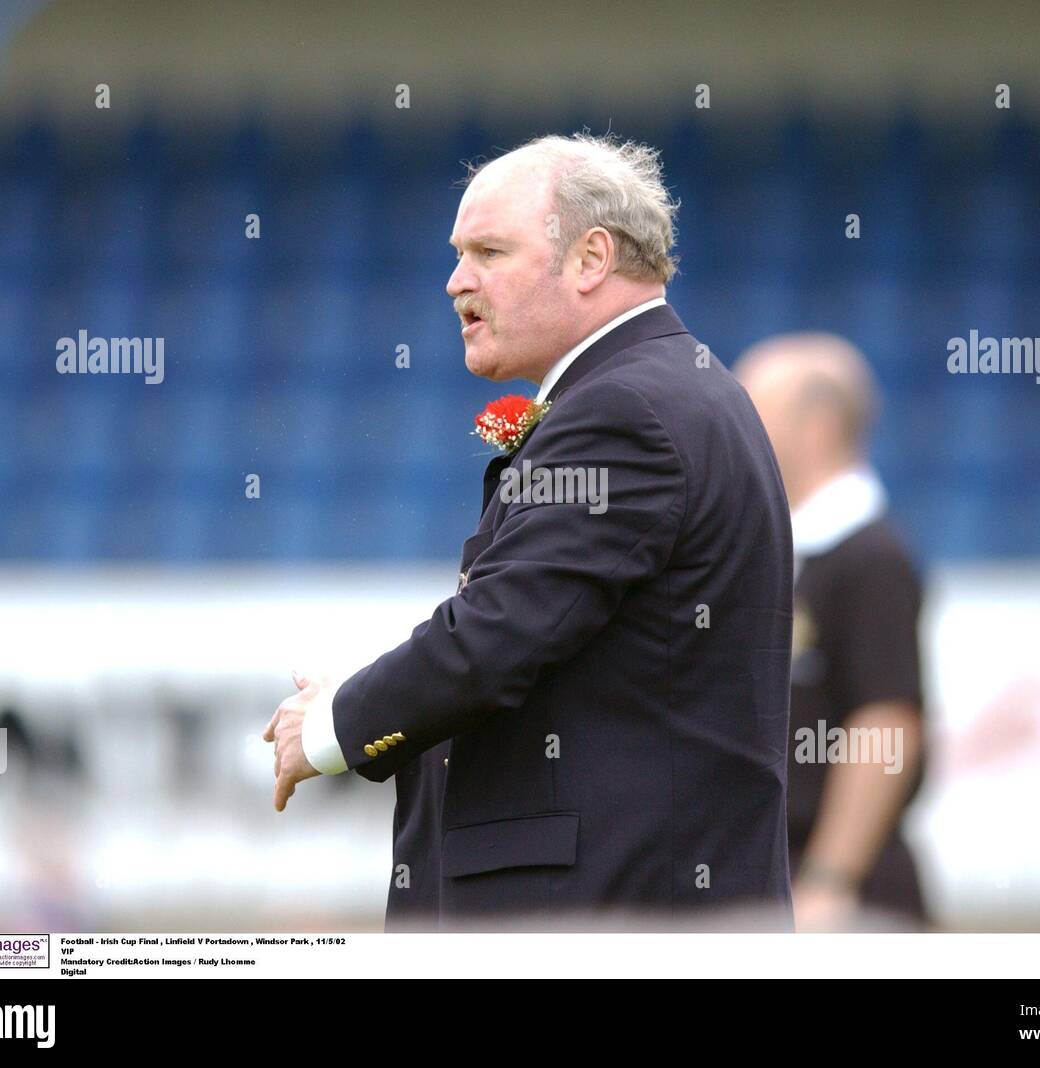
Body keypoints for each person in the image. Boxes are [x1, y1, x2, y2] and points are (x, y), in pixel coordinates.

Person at [264, 132, 796, 930]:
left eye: (487, 251)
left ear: (590, 260)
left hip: (611, 921)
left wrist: (334, 725)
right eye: (456, 254)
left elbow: (498, 636)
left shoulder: (626, 411)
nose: (454, 282)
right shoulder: (669, 390)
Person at [734, 333, 928, 931]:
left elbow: (886, 722)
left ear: (816, 426)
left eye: (750, 412)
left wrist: (830, 878)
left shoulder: (866, 555)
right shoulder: (796, 551)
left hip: (840, 887)